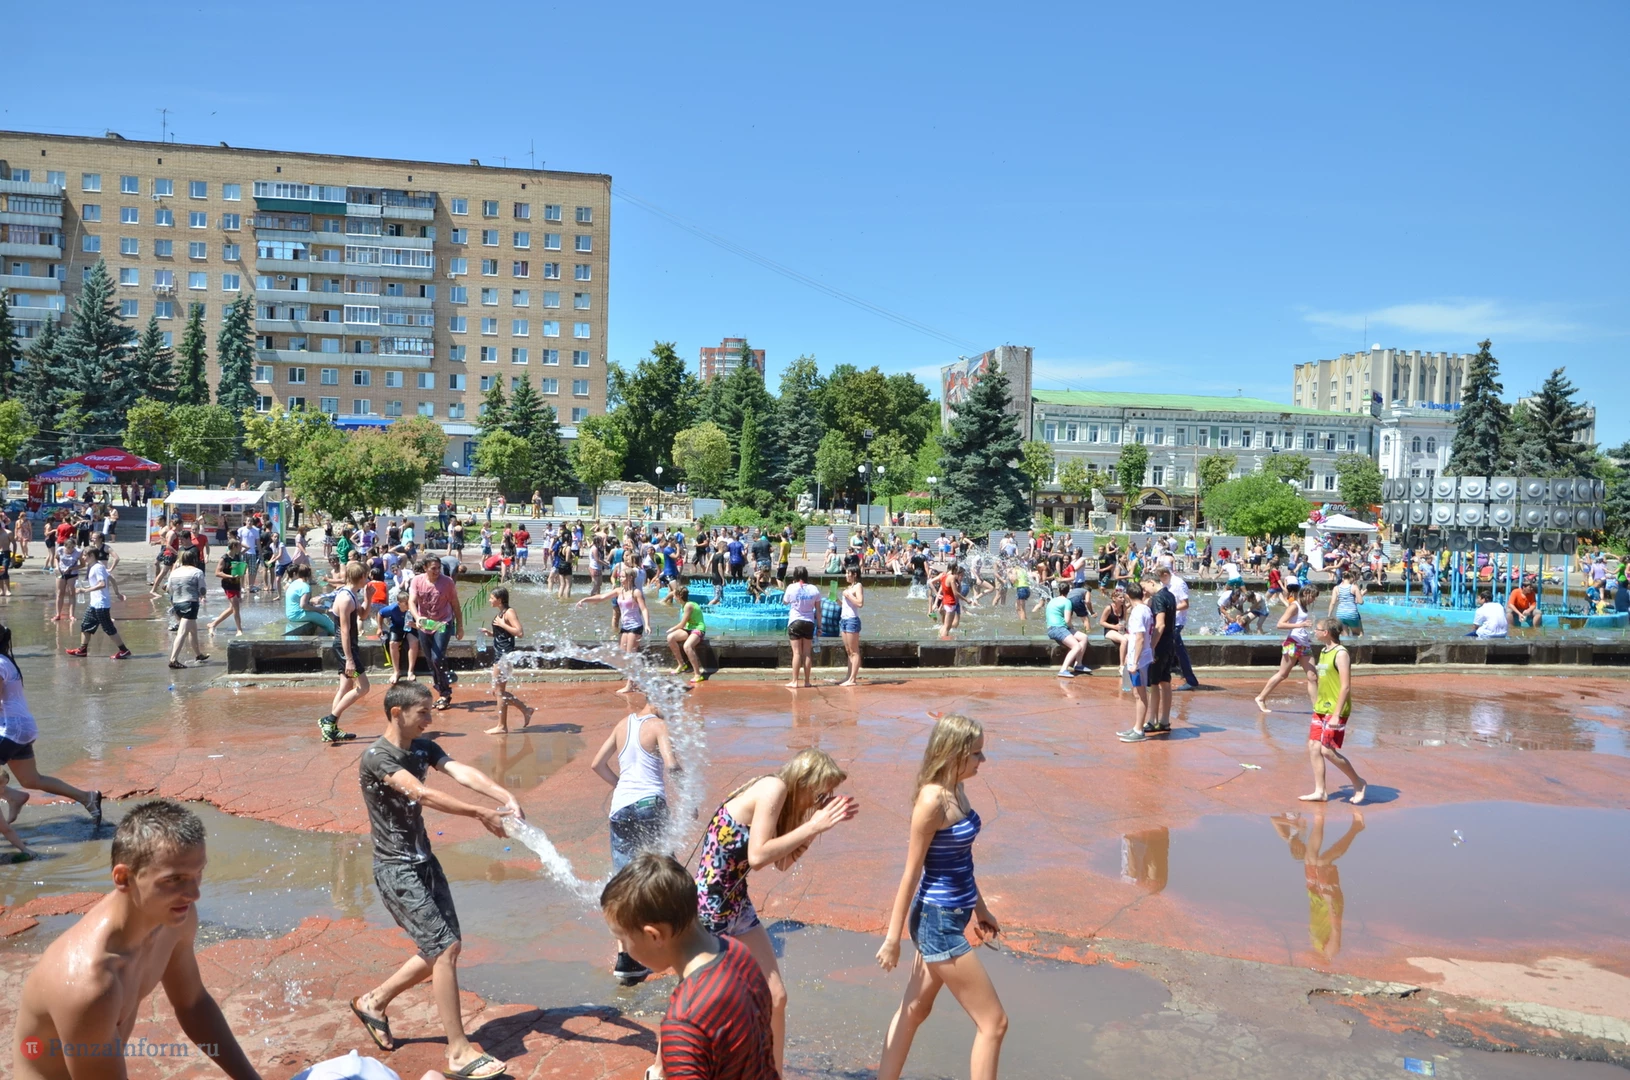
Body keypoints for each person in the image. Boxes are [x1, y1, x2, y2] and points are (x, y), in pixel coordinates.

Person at [12, 801, 261, 1080]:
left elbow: (192, 1004)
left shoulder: (174, 919)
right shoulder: (90, 985)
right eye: (174, 879)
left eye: (198, 873)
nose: (193, 894)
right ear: (123, 878)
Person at [347, 682, 521, 1080]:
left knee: (444, 947)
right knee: (443, 949)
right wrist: (480, 813)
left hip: (425, 861)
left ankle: (374, 1002)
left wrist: (502, 796)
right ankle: (458, 1051)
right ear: (397, 713)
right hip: (396, 868)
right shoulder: (377, 757)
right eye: (423, 712)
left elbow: (460, 771)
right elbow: (421, 794)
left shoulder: (423, 747)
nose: (430, 718)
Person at [695, 749, 859, 1074]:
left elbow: (782, 862)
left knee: (776, 996)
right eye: (820, 794)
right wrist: (812, 826)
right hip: (711, 906)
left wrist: (815, 827)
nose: (819, 801)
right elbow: (758, 857)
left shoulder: (782, 798)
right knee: (697, 999)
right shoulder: (774, 787)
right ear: (805, 781)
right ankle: (659, 1069)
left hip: (737, 903)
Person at [875, 713, 1006, 1080]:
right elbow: (911, 874)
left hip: (951, 915)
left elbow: (960, 862)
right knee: (994, 1023)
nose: (983, 760)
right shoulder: (932, 801)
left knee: (915, 1010)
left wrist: (981, 909)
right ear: (954, 753)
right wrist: (892, 940)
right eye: (976, 753)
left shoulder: (957, 788)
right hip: (937, 922)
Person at [602, 854, 776, 1080]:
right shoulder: (738, 952)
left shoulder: (684, 1020)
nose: (625, 949)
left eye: (623, 940)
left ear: (654, 936)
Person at [591, 698, 679, 986]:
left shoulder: (622, 725)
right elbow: (672, 765)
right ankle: (677, 943)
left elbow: (597, 765)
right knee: (666, 872)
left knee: (625, 880)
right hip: (650, 804)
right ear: (657, 699)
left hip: (620, 807)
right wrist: (689, 796)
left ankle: (626, 959)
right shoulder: (658, 726)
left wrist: (622, 787)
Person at [0, 623, 102, 855]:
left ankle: (12, 796)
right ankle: (87, 798)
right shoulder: (5, 660)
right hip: (20, 727)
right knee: (31, 779)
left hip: (11, 729)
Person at [1301, 619, 1369, 804]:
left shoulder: (1341, 654)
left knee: (1327, 751)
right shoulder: (1324, 651)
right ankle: (1320, 791)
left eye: (1317, 629)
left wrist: (1337, 714)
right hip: (1321, 707)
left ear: (1326, 633)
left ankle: (1359, 782)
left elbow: (1345, 686)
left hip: (1335, 709)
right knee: (1313, 746)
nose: (1314, 631)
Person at [317, 562, 370, 745]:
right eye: (366, 576)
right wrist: (349, 659)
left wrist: (369, 597)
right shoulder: (346, 598)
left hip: (348, 647)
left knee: (345, 687)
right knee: (364, 687)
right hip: (345, 648)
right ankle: (329, 720)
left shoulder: (352, 594)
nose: (368, 579)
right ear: (362, 577)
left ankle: (331, 729)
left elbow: (363, 615)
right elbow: (345, 631)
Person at [1255, 585, 1320, 713]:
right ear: (1305, 593)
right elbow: (1280, 624)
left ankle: (1317, 708)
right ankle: (1261, 698)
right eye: (1312, 596)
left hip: (1304, 644)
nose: (1313, 600)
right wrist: (1301, 625)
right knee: (1283, 674)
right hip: (1293, 643)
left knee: (1313, 677)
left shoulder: (1303, 607)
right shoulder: (1294, 606)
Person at [408, 555, 462, 710]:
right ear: (425, 568)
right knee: (430, 660)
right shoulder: (417, 581)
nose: (437, 571)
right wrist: (417, 617)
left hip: (443, 623)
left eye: (439, 568)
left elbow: (455, 604)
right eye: (433, 568)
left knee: (437, 657)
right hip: (424, 623)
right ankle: (440, 689)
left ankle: (445, 693)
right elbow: (411, 601)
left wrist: (460, 626)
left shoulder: (447, 582)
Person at [479, 587, 534, 734]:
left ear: (500, 599)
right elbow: (504, 635)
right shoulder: (501, 613)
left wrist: (502, 624)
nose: (490, 600)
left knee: (499, 692)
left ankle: (502, 726)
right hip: (499, 654)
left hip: (505, 655)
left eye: (492, 598)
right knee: (497, 692)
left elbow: (519, 632)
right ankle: (525, 710)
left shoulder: (509, 612)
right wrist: (491, 633)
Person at [64, 546, 133, 661]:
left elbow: (102, 584)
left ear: (91, 556)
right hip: (94, 604)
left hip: (101, 604)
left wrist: (85, 590)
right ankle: (82, 650)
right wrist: (117, 593)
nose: (83, 558)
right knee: (85, 625)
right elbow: (111, 578)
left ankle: (124, 650)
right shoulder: (97, 565)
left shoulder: (97, 568)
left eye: (85, 555)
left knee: (108, 628)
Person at [1118, 579, 1162, 742]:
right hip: (1141, 656)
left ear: (1128, 596)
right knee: (1138, 693)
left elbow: (1139, 638)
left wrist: (1134, 662)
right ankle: (1137, 726)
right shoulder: (1146, 609)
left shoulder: (1137, 612)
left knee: (1140, 694)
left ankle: (1139, 730)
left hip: (1140, 659)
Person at [783, 566, 821, 689]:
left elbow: (785, 601)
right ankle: (807, 681)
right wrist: (819, 627)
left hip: (795, 621)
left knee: (797, 653)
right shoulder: (814, 589)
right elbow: (818, 611)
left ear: (795, 576)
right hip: (809, 622)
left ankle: (795, 681)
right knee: (807, 653)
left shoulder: (791, 587)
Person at [663, 583, 708, 682]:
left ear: (679, 596)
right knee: (670, 638)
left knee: (687, 646)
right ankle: (681, 664)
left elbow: (681, 624)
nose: (673, 597)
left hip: (698, 629)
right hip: (688, 629)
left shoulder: (688, 606)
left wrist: (671, 629)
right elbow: (685, 625)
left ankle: (697, 674)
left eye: (674, 595)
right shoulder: (683, 605)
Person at [1045, 588, 1089, 678]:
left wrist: (1070, 628)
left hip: (1054, 628)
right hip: (1057, 628)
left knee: (1083, 637)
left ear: (1059, 591)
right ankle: (1063, 670)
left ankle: (1078, 664)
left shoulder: (1052, 600)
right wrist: (1071, 627)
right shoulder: (1067, 602)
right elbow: (1067, 620)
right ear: (1068, 592)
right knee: (1076, 646)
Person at [206, 539, 247, 637]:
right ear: (233, 547)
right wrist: (230, 576)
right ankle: (239, 630)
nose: (241, 548)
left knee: (232, 608)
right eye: (239, 546)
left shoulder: (237, 556)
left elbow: (239, 572)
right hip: (228, 584)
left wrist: (241, 587)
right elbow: (217, 573)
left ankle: (213, 624)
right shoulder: (224, 558)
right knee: (236, 607)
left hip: (236, 584)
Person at [375, 586, 412, 684]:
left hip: (411, 627)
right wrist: (379, 628)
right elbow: (380, 613)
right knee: (392, 643)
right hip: (396, 627)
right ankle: (396, 671)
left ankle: (410, 671)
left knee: (414, 641)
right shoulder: (393, 608)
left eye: (409, 602)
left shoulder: (412, 607)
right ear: (399, 603)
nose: (409, 605)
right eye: (406, 603)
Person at [837, 565, 865, 687]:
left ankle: (853, 679)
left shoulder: (858, 586)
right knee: (848, 650)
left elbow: (860, 603)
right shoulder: (849, 587)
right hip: (844, 619)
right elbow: (846, 606)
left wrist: (848, 595)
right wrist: (837, 600)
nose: (846, 575)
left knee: (854, 650)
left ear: (854, 574)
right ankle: (848, 676)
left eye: (848, 573)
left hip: (852, 620)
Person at [1328, 569, 1364, 637]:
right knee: (1357, 635)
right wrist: (1361, 594)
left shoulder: (1336, 588)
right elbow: (1360, 602)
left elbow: (1332, 603)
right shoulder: (1354, 587)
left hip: (1340, 614)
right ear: (1351, 578)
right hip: (1352, 614)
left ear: (1343, 578)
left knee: (1344, 637)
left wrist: (1329, 615)